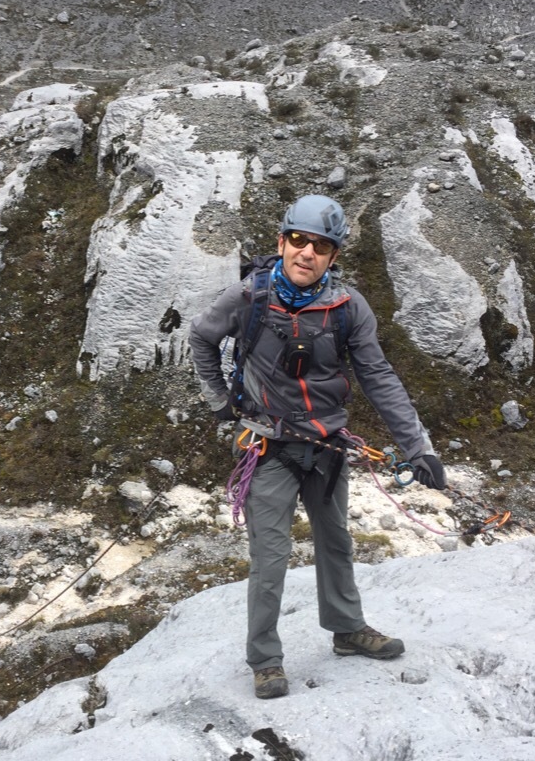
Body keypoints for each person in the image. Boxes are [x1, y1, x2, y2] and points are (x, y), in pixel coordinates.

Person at [188, 194, 447, 699]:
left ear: (333, 256)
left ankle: (348, 631)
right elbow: (201, 338)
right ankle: (265, 659)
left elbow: (379, 376)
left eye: (321, 245)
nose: (307, 252)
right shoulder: (249, 298)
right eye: (299, 240)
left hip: (328, 448)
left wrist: (420, 450)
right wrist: (218, 400)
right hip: (269, 448)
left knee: (336, 543)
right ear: (282, 241)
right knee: (270, 555)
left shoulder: (348, 307)